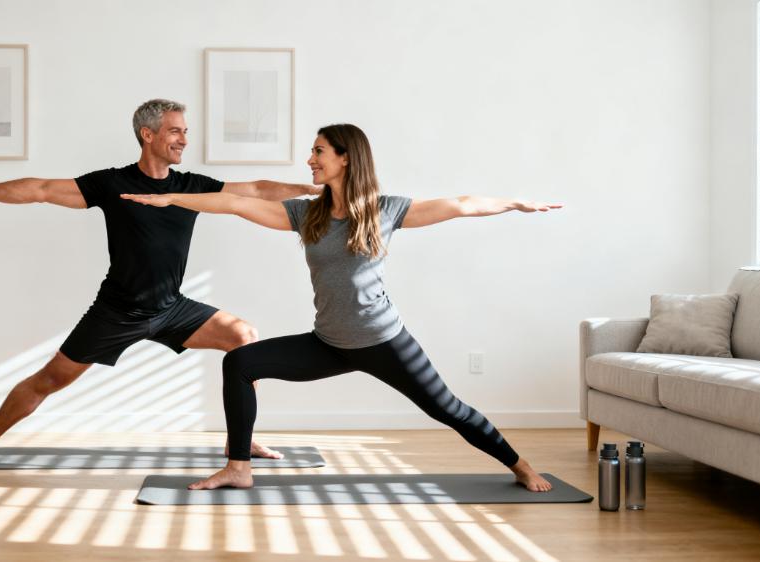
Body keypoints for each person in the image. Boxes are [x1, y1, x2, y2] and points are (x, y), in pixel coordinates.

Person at [121, 123, 563, 491]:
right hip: (329, 342)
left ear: (346, 157)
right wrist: (171, 198)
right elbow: (237, 203)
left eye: (318, 152)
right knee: (239, 362)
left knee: (448, 409)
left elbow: (461, 205)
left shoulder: (383, 210)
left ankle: (520, 466)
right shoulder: (306, 214)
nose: (310, 160)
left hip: (383, 341)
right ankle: (239, 467)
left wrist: (514, 203)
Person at [0, 99, 318, 461]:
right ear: (149, 135)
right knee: (50, 378)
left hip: (171, 307)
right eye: (176, 131)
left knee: (243, 338)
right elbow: (40, 189)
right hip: (117, 311)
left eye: (184, 131)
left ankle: (240, 440)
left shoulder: (190, 186)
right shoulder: (112, 184)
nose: (184, 139)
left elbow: (257, 189)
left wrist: (311, 189)